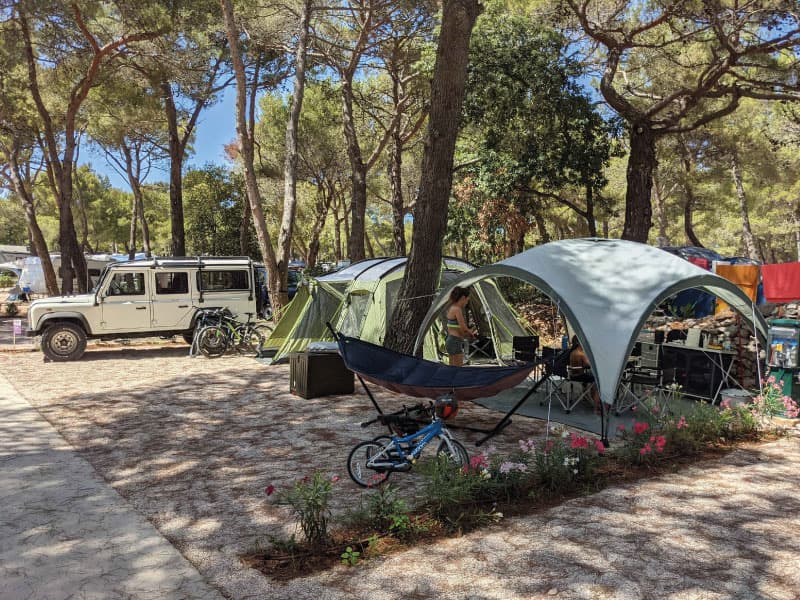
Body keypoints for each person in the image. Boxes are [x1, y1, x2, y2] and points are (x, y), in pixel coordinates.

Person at [445, 286, 476, 367]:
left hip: (450, 340)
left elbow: (458, 327)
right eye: (467, 300)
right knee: (458, 369)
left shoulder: (452, 307)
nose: (467, 302)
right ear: (463, 298)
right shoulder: (457, 309)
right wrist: (471, 333)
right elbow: (463, 329)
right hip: (455, 342)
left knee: (452, 369)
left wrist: (468, 332)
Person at [568, 335, 601, 413]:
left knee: (591, 376)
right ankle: (596, 408)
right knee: (597, 382)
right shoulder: (580, 353)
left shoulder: (573, 351)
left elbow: (584, 365)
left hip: (572, 374)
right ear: (580, 343)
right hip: (579, 376)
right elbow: (589, 365)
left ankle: (586, 397)